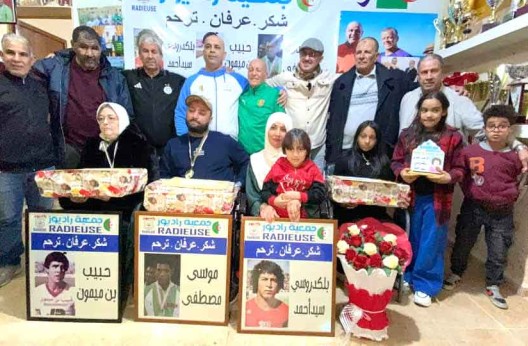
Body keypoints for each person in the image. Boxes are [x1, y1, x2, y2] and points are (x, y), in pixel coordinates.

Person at [58, 102, 158, 290]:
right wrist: (74, 198)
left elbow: (148, 188)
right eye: (101, 119)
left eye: (111, 118)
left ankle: (119, 284)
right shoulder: (91, 145)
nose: (105, 123)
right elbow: (79, 181)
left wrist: (113, 198)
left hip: (125, 209)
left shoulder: (138, 145)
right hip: (93, 210)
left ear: (123, 120)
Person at [444, 105, 522, 310]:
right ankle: (456, 272)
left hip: (502, 211)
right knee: (463, 242)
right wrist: (472, 191)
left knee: (498, 249)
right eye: (491, 126)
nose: (496, 130)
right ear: (484, 129)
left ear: (510, 130)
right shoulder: (471, 152)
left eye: (502, 126)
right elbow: (462, 174)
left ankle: (493, 284)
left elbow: (520, 179)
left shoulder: (516, 156)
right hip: (474, 206)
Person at [391, 91, 465, 308]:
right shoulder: (407, 135)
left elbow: (461, 168)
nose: (429, 115)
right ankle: (407, 277)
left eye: (434, 110)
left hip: (437, 198)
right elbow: (395, 161)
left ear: (443, 111)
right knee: (409, 237)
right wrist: (403, 172)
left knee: (431, 242)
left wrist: (449, 176)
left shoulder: (454, 137)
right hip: (410, 196)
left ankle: (425, 285)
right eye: (424, 110)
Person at [0, 33, 61, 288]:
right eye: (11, 53)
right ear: (2, 56)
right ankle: (10, 263)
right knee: (8, 218)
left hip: (42, 166)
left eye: (23, 54)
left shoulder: (41, 85)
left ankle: (42, 261)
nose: (17, 58)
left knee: (43, 217)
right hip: (6, 169)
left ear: (32, 58)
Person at [399, 53, 528, 168]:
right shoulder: (407, 99)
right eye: (424, 72)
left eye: (434, 71)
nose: (429, 76)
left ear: (442, 73)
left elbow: (485, 130)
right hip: (410, 174)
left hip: (448, 176)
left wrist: (518, 146)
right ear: (418, 75)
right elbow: (401, 137)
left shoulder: (459, 100)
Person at [34, 25, 133, 168]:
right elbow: (25, 69)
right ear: (73, 46)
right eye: (83, 47)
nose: (90, 53)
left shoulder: (115, 78)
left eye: (95, 48)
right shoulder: (55, 69)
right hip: (68, 150)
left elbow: (127, 116)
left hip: (103, 150)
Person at [327, 37, 414, 165]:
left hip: (377, 154)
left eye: (367, 52)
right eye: (359, 52)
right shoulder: (341, 82)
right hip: (345, 151)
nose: (362, 56)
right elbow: (333, 118)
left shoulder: (394, 80)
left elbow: (421, 89)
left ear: (376, 56)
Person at [267, 37, 337, 171]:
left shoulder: (329, 79)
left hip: (317, 146)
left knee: (315, 187)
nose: (307, 58)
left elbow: (349, 78)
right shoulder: (285, 78)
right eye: (304, 54)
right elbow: (262, 87)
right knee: (290, 184)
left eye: (312, 55)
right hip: (291, 146)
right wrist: (280, 90)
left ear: (321, 58)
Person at [161, 95, 249, 185]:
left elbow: (246, 163)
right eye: (191, 111)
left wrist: (239, 184)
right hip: (183, 197)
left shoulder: (225, 142)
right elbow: (164, 176)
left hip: (218, 197)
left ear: (210, 119)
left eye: (202, 113)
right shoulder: (173, 145)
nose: (195, 116)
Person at [123, 29, 185, 156]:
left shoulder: (177, 81)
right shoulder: (128, 77)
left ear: (161, 54)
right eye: (145, 51)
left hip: (168, 150)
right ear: (139, 54)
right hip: (137, 149)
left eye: (154, 51)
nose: (150, 56)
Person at [175, 32, 248, 139]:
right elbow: (180, 113)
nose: (212, 50)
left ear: (224, 54)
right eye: (208, 46)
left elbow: (259, 90)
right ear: (203, 52)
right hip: (199, 146)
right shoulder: (191, 82)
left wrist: (280, 91)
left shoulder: (238, 80)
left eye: (217, 47)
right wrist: (186, 142)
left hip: (230, 146)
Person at [333, 121, 394, 225]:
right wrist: (342, 203)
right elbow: (334, 191)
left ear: (377, 140)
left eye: (372, 137)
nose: (367, 141)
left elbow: (389, 191)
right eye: (363, 136)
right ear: (357, 137)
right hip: (348, 215)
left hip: (377, 216)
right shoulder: (344, 159)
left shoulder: (384, 162)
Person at [261, 129, 326, 222]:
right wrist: (274, 201)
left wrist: (299, 196)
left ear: (307, 151)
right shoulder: (278, 166)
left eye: (300, 149)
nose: (295, 154)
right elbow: (264, 191)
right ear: (284, 150)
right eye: (291, 149)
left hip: (304, 221)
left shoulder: (312, 169)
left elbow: (320, 194)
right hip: (277, 219)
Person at [246, 112, 293, 218]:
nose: (277, 133)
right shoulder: (255, 160)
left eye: (283, 129)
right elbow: (252, 196)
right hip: (264, 219)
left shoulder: (297, 160)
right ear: (267, 130)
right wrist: (263, 207)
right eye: (273, 128)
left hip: (293, 219)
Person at [238, 59, 285, 155]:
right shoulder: (241, 95)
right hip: (242, 154)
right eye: (250, 70)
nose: (253, 73)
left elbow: (282, 125)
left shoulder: (275, 95)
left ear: (266, 75)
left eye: (258, 70)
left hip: (265, 154)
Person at [245, 260, 288, 328]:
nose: (269, 285)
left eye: (273, 280)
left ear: (279, 285)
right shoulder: (245, 308)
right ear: (256, 282)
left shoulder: (286, 311)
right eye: (264, 279)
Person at [34, 252, 75, 316]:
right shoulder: (38, 291)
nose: (58, 270)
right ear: (47, 269)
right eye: (55, 266)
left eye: (62, 267)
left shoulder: (73, 292)